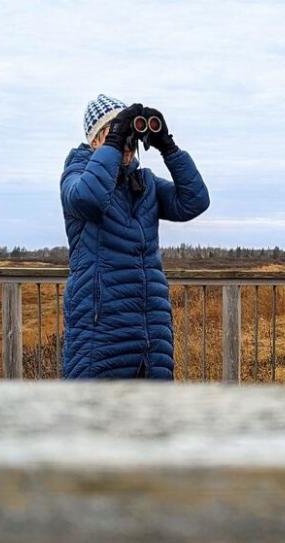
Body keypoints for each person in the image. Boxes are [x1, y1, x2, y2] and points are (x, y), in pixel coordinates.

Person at [60, 94, 210, 379]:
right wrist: (114, 143)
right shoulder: (76, 175)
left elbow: (195, 200)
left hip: (150, 341)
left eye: (127, 134)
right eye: (114, 132)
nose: (126, 143)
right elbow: (88, 199)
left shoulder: (145, 183)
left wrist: (169, 147)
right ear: (94, 141)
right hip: (100, 338)